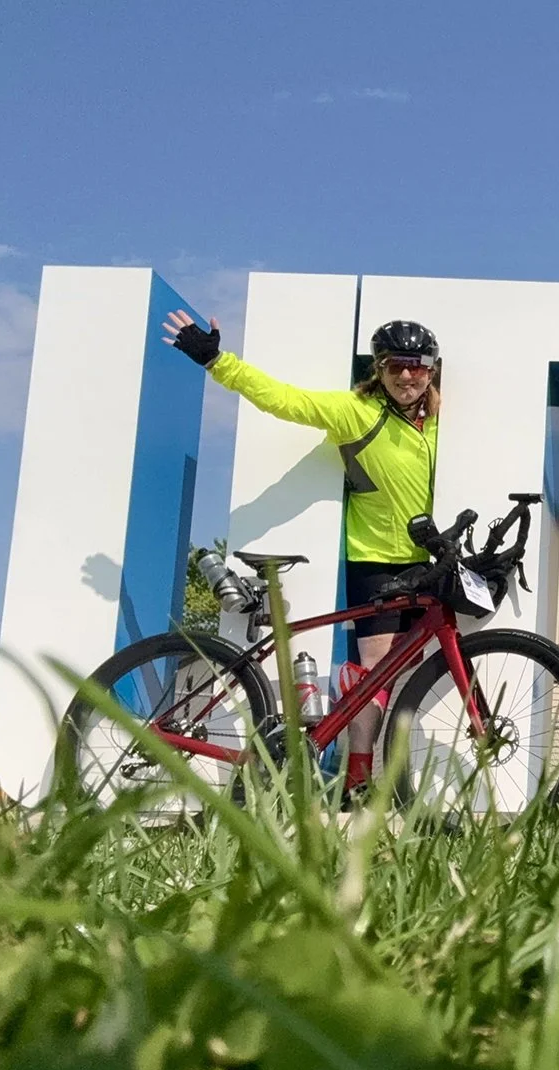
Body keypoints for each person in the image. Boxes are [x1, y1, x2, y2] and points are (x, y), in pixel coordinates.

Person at [162, 310, 442, 795]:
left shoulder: (438, 422)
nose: (406, 376)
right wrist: (215, 360)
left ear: (432, 369)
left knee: (402, 673)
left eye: (416, 365)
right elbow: (283, 401)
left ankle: (363, 770)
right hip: (376, 562)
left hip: (427, 562)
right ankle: (356, 778)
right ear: (378, 368)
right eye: (394, 365)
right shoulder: (355, 412)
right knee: (376, 677)